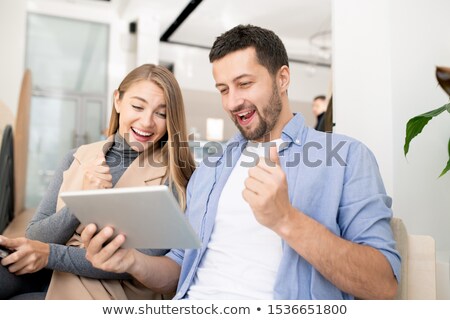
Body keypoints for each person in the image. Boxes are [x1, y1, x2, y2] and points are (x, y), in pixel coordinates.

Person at [82, 25, 401, 300]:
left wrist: (286, 220)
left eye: (245, 84)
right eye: (223, 89)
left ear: (282, 78)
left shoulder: (346, 156)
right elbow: (180, 266)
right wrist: (130, 262)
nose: (232, 102)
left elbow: (383, 284)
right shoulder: (211, 167)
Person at [0, 64, 196, 299]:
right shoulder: (76, 156)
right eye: (137, 106)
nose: (146, 122)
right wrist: (79, 204)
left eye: (161, 113)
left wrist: (51, 254)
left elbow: (144, 257)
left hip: (108, 291)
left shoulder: (173, 176)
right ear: (118, 101)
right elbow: (36, 238)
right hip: (52, 273)